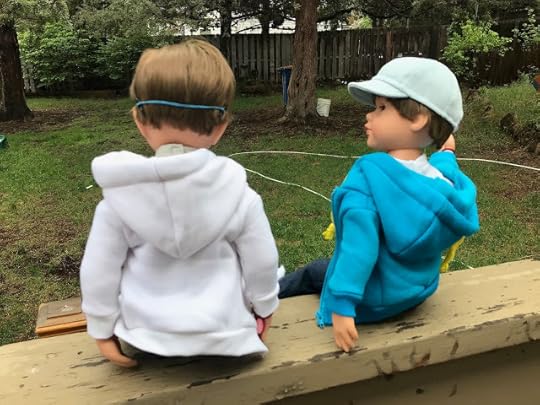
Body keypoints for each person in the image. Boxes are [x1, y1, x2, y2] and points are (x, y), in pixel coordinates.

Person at [80, 39, 280, 367]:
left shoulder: (119, 198)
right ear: (220, 128)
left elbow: (98, 271)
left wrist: (101, 329)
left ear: (139, 121)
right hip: (226, 333)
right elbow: (262, 262)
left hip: (142, 336)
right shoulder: (240, 195)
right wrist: (265, 307)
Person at [278, 57, 480, 353]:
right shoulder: (443, 185)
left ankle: (263, 293)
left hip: (370, 301)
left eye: (382, 108)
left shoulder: (367, 180)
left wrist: (342, 306)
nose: (369, 116)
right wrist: (446, 147)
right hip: (415, 293)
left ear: (418, 119)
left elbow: (359, 248)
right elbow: (445, 165)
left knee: (313, 272)